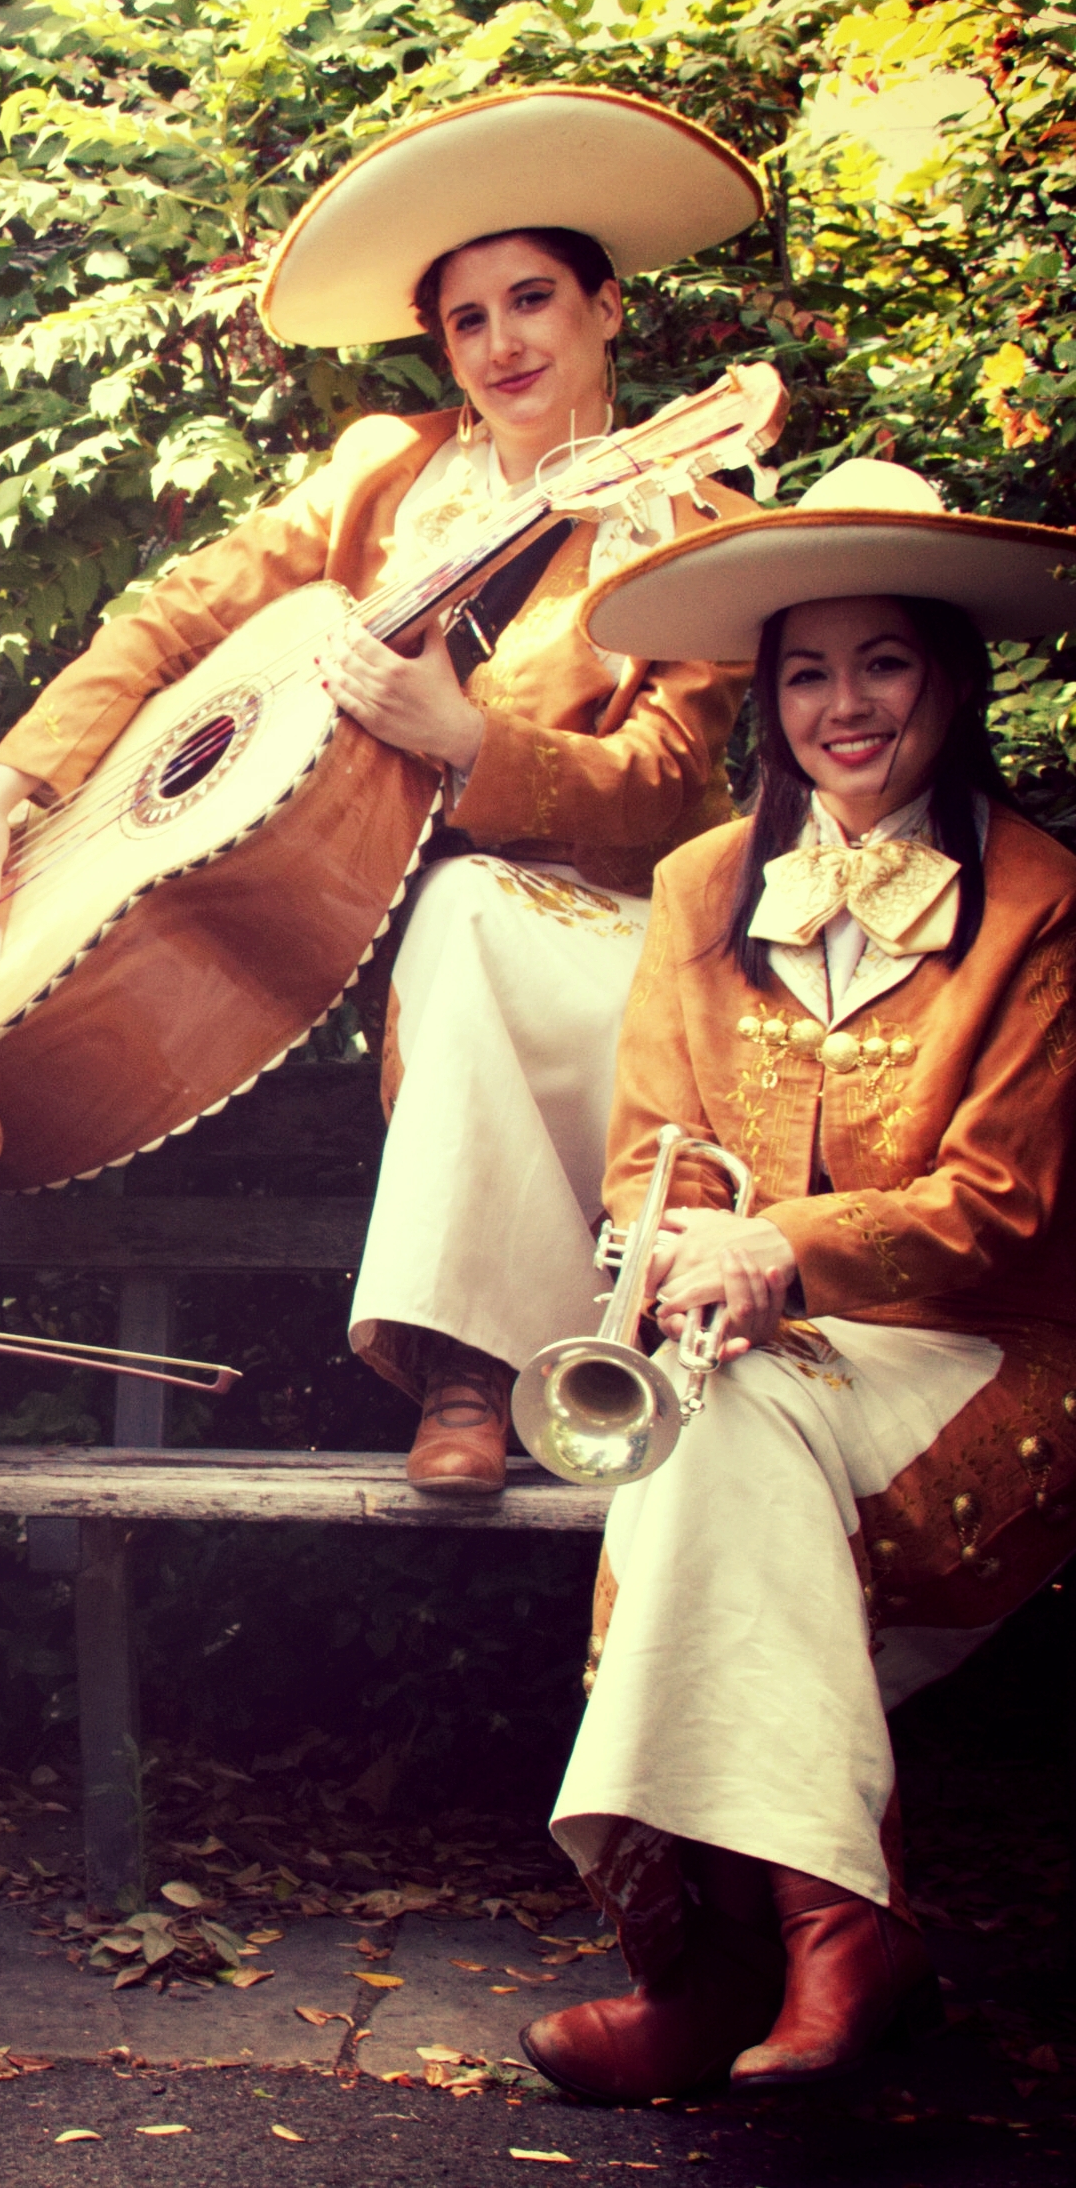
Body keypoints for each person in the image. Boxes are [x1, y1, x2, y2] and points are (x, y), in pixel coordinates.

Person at [0, 86, 769, 1493]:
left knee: (472, 915)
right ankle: (472, 1371)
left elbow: (672, 786)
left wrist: (470, 748)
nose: (502, 343)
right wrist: (13, 779)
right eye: (467, 319)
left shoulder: (689, 524)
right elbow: (181, 615)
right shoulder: (386, 475)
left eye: (533, 298)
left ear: (609, 306)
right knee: (452, 921)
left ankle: (469, 1372)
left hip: (613, 962)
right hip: (418, 959)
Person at [515, 460, 1076, 2102]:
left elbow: (1003, 1204)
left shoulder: (1047, 903)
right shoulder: (700, 887)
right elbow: (645, 1156)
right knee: (729, 1431)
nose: (844, 705)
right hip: (757, 1372)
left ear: (949, 680)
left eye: (882, 663)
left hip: (986, 1359)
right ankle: (832, 1933)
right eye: (808, 670)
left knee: (712, 1453)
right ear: (768, 696)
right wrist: (686, 1252)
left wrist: (788, 1247)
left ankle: (704, 1967)